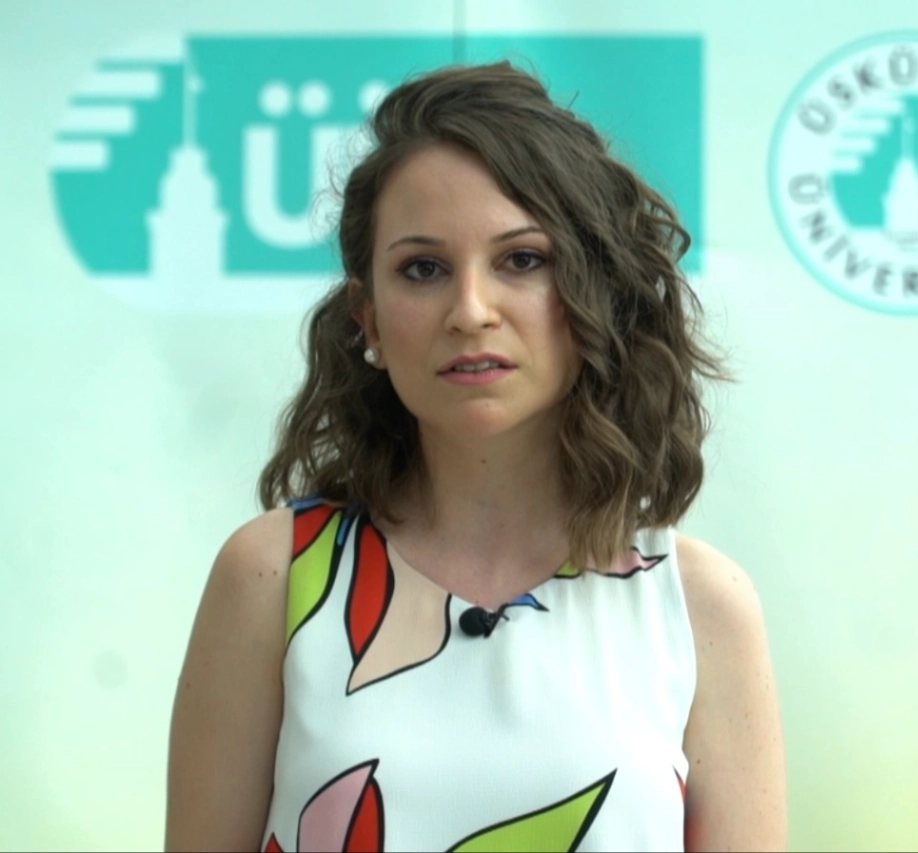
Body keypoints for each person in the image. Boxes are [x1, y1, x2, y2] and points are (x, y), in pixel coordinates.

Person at [165, 61, 786, 853]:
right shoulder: (271, 578)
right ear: (368, 319)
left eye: (522, 260)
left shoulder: (700, 607)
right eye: (422, 269)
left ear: (594, 291)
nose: (470, 310)